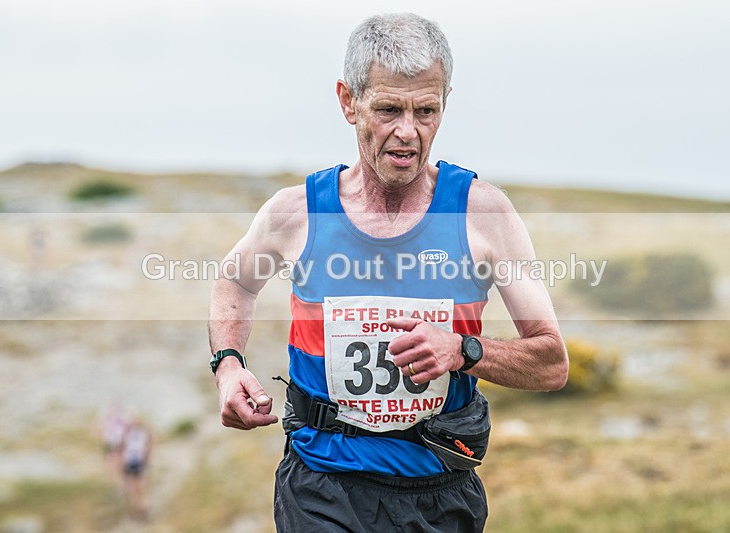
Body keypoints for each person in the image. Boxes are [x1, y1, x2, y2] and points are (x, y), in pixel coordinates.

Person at [208, 13, 568, 532]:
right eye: (388, 109)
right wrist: (228, 365)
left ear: (445, 103)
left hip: (439, 491)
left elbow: (551, 363)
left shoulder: (481, 214)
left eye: (426, 111)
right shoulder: (299, 212)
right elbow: (236, 281)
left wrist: (463, 351)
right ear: (348, 102)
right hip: (321, 485)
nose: (408, 132)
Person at [120, 417, 153, 521]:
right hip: (130, 461)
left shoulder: (142, 432)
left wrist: (146, 457)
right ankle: (138, 508)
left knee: (138, 485)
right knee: (133, 485)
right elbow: (123, 447)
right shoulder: (129, 433)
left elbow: (149, 445)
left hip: (137, 460)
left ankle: (141, 507)